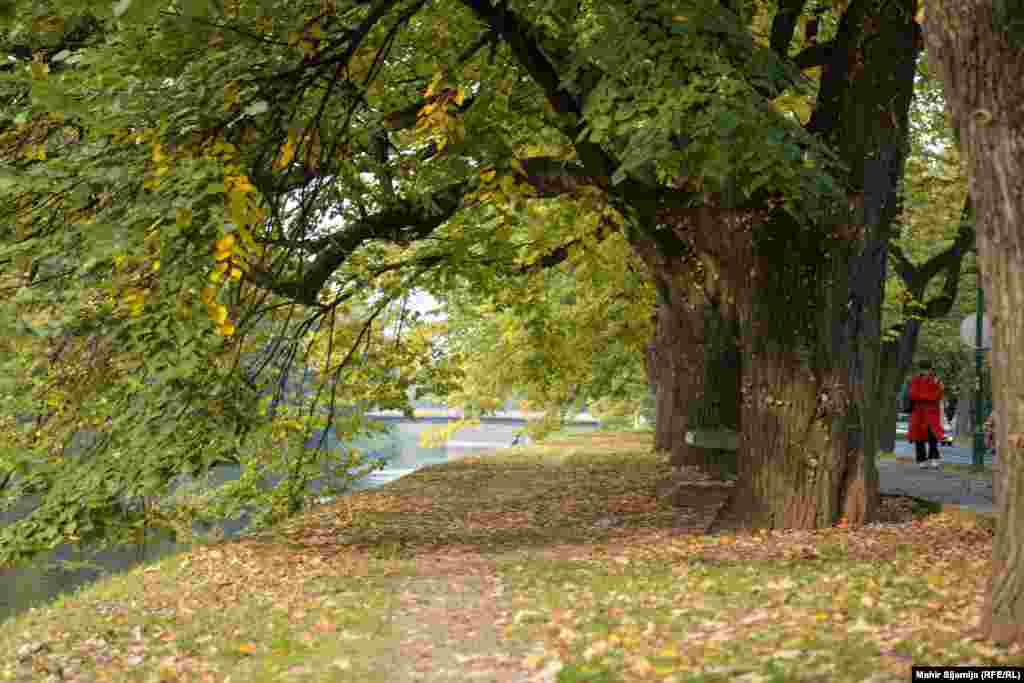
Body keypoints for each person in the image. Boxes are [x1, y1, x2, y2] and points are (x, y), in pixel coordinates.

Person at [908, 360, 945, 469]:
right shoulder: (916, 380)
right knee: (918, 436)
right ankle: (921, 459)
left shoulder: (936, 380)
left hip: (930, 412)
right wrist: (928, 396)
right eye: (923, 369)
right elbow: (912, 395)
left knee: (932, 435)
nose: (925, 371)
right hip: (919, 412)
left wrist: (922, 396)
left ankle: (934, 458)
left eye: (927, 369)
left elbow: (938, 395)